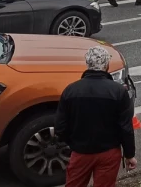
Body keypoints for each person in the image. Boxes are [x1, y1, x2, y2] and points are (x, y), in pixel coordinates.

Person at [56, 47, 136, 187]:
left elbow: (60, 127)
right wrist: (129, 154)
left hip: (80, 153)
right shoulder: (118, 92)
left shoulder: (70, 90)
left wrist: (74, 143)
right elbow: (126, 128)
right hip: (109, 153)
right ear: (107, 66)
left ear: (87, 64)